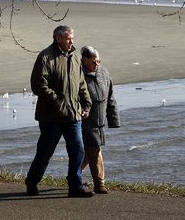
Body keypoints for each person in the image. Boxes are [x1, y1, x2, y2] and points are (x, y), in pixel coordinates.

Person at [25, 25, 93, 198]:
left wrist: (86, 103)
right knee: (45, 153)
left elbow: (81, 83)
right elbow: (38, 85)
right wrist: (58, 102)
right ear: (58, 38)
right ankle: (32, 182)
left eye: (72, 38)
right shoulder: (46, 57)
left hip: (73, 116)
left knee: (78, 150)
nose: (72, 41)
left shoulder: (75, 57)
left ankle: (75, 186)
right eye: (69, 38)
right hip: (51, 117)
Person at [80, 46, 120, 194]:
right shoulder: (77, 74)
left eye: (98, 61)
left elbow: (110, 97)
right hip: (83, 120)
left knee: (87, 152)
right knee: (94, 149)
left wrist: (114, 119)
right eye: (93, 62)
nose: (97, 65)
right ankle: (99, 183)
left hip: (99, 121)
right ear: (84, 60)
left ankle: (74, 175)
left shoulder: (103, 72)